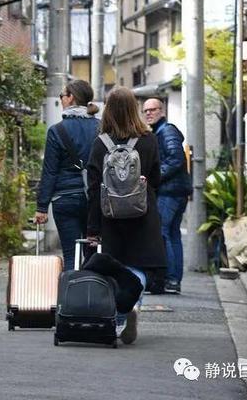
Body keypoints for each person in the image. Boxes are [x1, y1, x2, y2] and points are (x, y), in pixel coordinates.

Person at [86, 87, 165, 345]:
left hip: (110, 216)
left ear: (108, 111)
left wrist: (92, 227)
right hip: (142, 213)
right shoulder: (148, 139)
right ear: (134, 108)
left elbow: (93, 187)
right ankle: (130, 306)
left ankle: (122, 312)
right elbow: (156, 179)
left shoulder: (101, 143)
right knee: (139, 266)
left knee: (117, 266)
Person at [35, 79, 100, 270]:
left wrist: (42, 207)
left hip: (65, 198)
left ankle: (71, 296)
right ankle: (91, 294)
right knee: (93, 253)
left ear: (71, 98)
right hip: (94, 198)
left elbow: (50, 171)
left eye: (62, 95)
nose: (61, 99)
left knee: (71, 254)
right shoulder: (101, 127)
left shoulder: (57, 131)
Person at [142, 97, 192, 294]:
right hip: (175, 190)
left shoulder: (167, 130)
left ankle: (170, 279)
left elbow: (176, 158)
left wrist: (155, 175)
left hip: (171, 191)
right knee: (172, 234)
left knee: (164, 232)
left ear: (162, 111)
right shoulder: (160, 131)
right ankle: (173, 279)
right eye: (146, 111)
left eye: (153, 110)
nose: (149, 113)